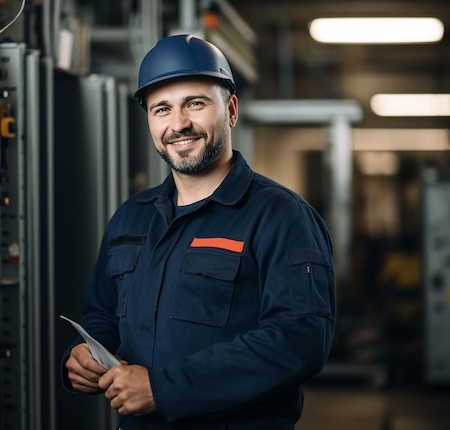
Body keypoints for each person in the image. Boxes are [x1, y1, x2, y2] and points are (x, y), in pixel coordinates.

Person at [61, 34, 336, 430]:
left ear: (231, 109)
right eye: (161, 109)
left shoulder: (282, 217)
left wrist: (164, 388)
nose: (179, 124)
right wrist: (82, 355)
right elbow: (102, 314)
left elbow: (299, 340)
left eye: (195, 103)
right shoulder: (130, 218)